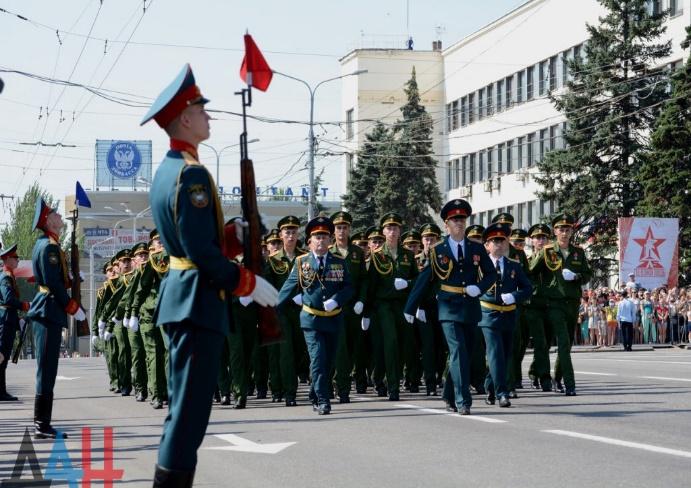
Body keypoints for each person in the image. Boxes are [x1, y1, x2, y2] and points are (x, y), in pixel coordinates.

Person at [141, 63, 278, 486]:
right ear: (185, 117)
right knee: (188, 413)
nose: (208, 116)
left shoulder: (170, 170)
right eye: (201, 109)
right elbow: (199, 251)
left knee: (187, 409)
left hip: (186, 301)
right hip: (197, 304)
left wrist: (235, 237)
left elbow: (194, 239)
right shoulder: (191, 173)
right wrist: (248, 282)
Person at [404, 199, 496, 415]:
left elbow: (491, 273)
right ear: (446, 224)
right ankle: (463, 400)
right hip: (448, 308)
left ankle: (448, 393)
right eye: (455, 220)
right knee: (457, 351)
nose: (459, 223)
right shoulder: (438, 250)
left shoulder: (476, 248)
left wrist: (479, 288)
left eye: (462, 219)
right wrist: (410, 307)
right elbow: (424, 279)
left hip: (471, 307)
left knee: (464, 352)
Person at [278, 216, 352, 414]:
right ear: (310, 241)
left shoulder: (339, 262)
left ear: (330, 240)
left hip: (334, 318)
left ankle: (314, 392)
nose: (320, 241)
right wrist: (271, 312)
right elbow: (287, 289)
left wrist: (337, 299)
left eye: (324, 237)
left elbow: (349, 287)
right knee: (318, 358)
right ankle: (323, 399)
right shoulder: (301, 262)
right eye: (316, 237)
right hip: (311, 320)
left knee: (328, 361)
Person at [27, 198, 86, 438]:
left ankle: (43, 422)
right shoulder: (49, 247)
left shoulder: (49, 244)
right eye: (54, 213)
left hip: (49, 310)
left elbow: (56, 277)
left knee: (48, 368)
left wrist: (72, 279)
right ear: (48, 221)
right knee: (47, 369)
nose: (59, 215)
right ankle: (42, 424)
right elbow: (52, 283)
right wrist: (73, 307)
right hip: (48, 309)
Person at [530, 214, 591, 396]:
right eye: (561, 229)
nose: (564, 233)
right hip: (554, 303)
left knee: (568, 344)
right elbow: (531, 271)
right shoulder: (548, 250)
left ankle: (557, 377)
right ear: (555, 231)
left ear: (572, 231)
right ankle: (570, 384)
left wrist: (577, 276)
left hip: (573, 303)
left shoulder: (578, 252)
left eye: (568, 229)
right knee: (563, 342)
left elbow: (588, 274)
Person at [363, 212, 419, 401]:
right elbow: (370, 287)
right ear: (384, 231)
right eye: (389, 228)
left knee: (404, 344)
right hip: (383, 306)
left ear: (400, 231)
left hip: (403, 305)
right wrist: (367, 312)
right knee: (391, 342)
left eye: (395, 228)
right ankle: (393, 386)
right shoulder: (376, 257)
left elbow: (418, 281)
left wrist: (408, 285)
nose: (392, 231)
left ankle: (382, 376)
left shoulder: (408, 256)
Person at [476, 224, 532, 407]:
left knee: (506, 355)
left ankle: (490, 388)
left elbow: (528, 288)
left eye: (502, 241)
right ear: (487, 245)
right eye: (494, 241)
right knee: (495, 353)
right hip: (488, 314)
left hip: (508, 315)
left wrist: (514, 296)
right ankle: (502, 393)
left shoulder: (513, 265)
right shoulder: (479, 266)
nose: (499, 245)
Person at [329, 211, 367, 403]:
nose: (342, 231)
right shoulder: (329, 252)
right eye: (338, 228)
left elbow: (363, 280)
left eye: (344, 227)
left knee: (351, 347)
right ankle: (342, 387)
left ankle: (339, 379)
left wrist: (361, 300)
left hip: (354, 307)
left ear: (349, 229)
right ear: (334, 231)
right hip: (336, 307)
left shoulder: (357, 252)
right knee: (341, 348)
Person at [0, 244, 30, 401]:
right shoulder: (5, 277)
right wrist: (24, 305)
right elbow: (8, 299)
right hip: (5, 320)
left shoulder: (9, 276)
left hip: (8, 318)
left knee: (3, 356)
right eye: (15, 257)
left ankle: (1, 390)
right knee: (2, 356)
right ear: (7, 260)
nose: (17, 259)